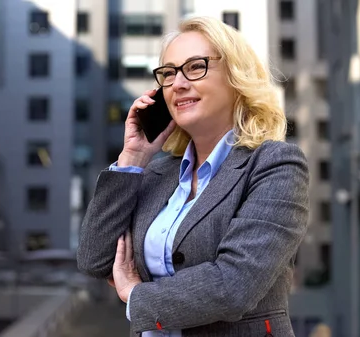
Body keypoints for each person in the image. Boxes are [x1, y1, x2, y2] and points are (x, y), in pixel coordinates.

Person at [77, 15, 309, 337]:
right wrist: (133, 157)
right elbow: (95, 259)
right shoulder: (155, 173)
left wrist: (135, 294)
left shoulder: (274, 165)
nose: (179, 83)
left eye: (195, 67)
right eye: (168, 73)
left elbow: (233, 285)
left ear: (235, 76)